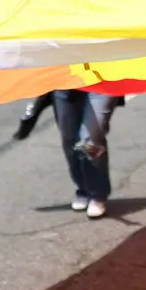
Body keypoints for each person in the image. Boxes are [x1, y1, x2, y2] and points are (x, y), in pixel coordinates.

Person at [55, 89, 114, 219]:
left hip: (100, 82)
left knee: (90, 140)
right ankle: (83, 189)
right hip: (66, 85)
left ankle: (97, 193)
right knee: (70, 141)